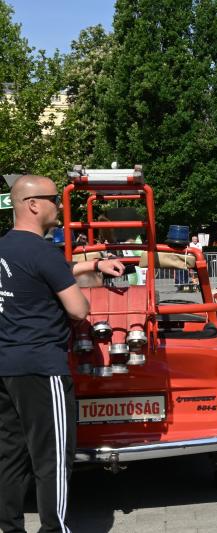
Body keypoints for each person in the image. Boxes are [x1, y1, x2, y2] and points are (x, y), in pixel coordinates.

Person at [0, 175, 126, 532]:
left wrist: (95, 265)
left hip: (6, 365)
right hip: (42, 367)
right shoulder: (42, 250)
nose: (58, 204)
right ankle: (55, 529)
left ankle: (9, 527)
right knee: (53, 458)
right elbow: (78, 309)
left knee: (10, 455)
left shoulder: (5, 247)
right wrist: (83, 292)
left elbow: (38, 274)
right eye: (54, 198)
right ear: (33, 205)